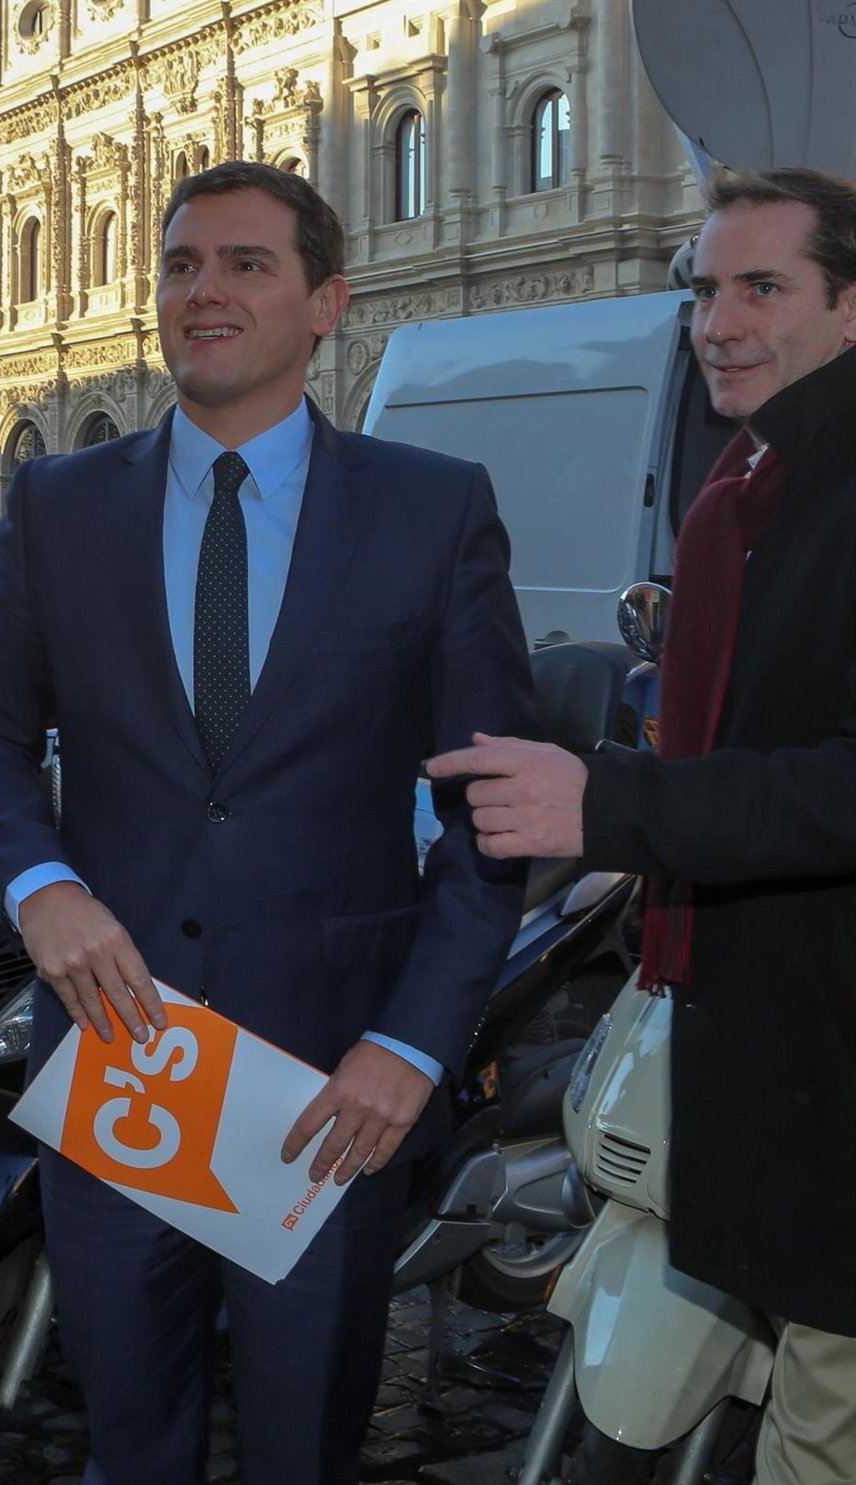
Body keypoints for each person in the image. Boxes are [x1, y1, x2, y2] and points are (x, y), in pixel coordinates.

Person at [0, 160, 536, 1485]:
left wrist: (413, 1043)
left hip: (331, 1086)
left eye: (246, 264)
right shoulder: (58, 506)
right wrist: (39, 885)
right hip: (120, 1066)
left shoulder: (433, 508)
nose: (202, 291)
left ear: (327, 303)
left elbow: (490, 812)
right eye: (180, 264)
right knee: (129, 1441)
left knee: (302, 1445)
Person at [430, 166, 856, 1485]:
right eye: (705, 291)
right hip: (770, 1041)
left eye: (763, 288)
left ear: (851, 307)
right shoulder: (754, 485)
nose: (719, 324)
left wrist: (609, 802)